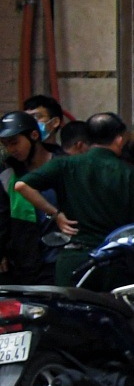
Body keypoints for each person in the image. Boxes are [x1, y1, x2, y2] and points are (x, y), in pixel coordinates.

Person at [12, 111, 134, 283]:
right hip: (113, 266)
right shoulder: (130, 174)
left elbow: (22, 185)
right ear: (119, 140)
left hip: (72, 263)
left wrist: (55, 214)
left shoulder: (65, 164)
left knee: (68, 309)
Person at [1, 110, 53, 278]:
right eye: (6, 144)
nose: (11, 149)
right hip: (25, 261)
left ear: (34, 135)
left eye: (15, 142)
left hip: (56, 256)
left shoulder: (62, 164)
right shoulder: (7, 172)